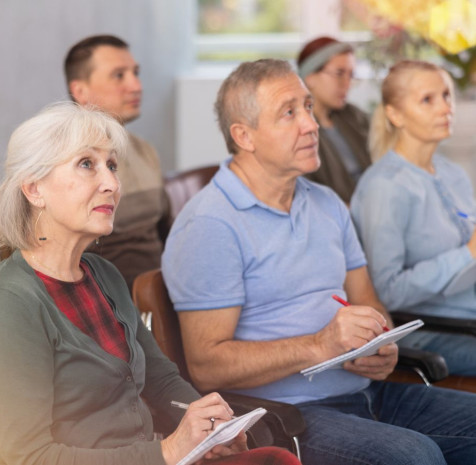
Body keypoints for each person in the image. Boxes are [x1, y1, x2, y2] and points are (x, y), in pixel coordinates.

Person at [161, 58, 476, 465]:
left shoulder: (326, 203)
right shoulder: (209, 223)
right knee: (416, 457)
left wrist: (382, 347)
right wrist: (320, 345)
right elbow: (206, 367)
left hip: (365, 392)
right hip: (286, 417)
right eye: (288, 113)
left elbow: (370, 302)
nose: (311, 125)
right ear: (245, 135)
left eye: (308, 107)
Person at [0, 102, 301, 465]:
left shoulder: (101, 274)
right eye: (86, 164)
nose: (111, 183)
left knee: (274, 459)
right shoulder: (10, 306)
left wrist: (208, 424)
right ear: (34, 190)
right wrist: (166, 451)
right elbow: (28, 458)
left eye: (111, 165)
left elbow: (159, 379)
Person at [350, 60, 476, 376]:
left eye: (446, 95)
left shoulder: (453, 174)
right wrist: (468, 254)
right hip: (437, 330)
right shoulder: (385, 186)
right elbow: (388, 291)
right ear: (395, 115)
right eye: (427, 100)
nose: (445, 108)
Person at [63, 35, 169, 291]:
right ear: (80, 91)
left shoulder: (145, 151)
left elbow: (164, 234)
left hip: (161, 299)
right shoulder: (66, 162)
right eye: (119, 75)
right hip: (106, 306)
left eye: (135, 73)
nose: (136, 86)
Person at [297, 36, 371, 203]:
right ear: (310, 77)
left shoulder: (354, 116)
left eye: (351, 75)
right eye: (339, 73)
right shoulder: (296, 130)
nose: (347, 83)